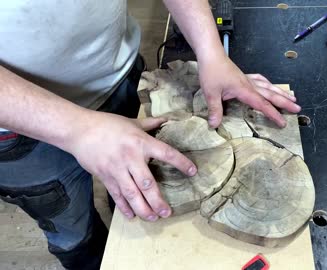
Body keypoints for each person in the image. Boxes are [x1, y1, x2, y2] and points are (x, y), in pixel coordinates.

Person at [0, 1, 300, 269]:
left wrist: (211, 50)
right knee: (73, 232)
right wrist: (79, 129)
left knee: (130, 188)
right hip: (21, 131)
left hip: (119, 76)